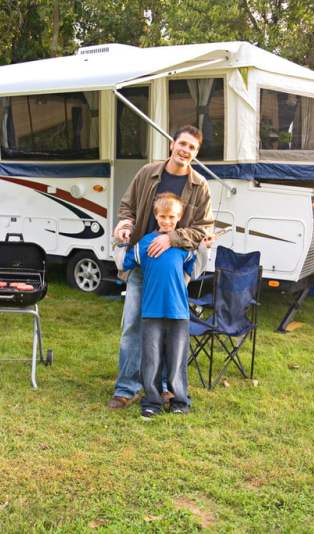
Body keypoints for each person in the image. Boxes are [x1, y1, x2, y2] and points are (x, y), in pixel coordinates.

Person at [108, 125, 213, 409]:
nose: (185, 150)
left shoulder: (200, 186)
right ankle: (126, 388)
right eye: (182, 144)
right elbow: (127, 206)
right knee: (132, 327)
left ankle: (166, 387)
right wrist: (125, 224)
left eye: (192, 147)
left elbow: (203, 228)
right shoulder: (148, 173)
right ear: (172, 144)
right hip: (143, 266)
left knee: (168, 329)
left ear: (196, 152)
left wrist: (172, 237)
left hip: (174, 269)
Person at [122, 193, 196, 417]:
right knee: (151, 359)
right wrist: (121, 241)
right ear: (155, 216)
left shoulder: (185, 247)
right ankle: (152, 401)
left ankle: (180, 401)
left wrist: (206, 248)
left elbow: (194, 267)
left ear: (179, 217)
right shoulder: (143, 244)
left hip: (179, 312)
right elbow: (124, 264)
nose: (166, 221)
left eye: (171, 216)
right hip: (151, 311)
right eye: (162, 216)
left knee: (177, 359)